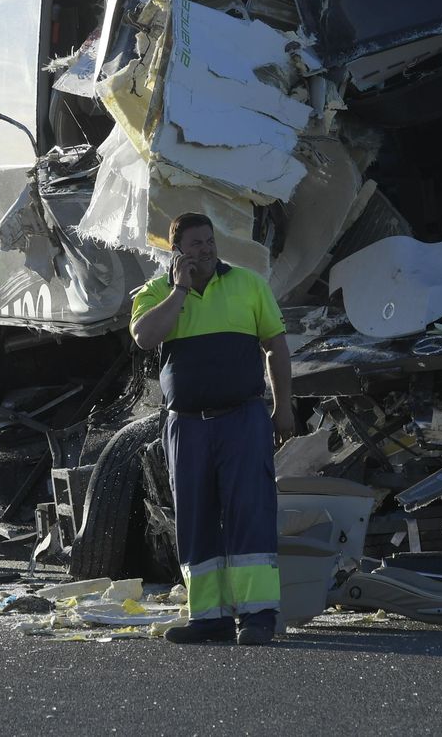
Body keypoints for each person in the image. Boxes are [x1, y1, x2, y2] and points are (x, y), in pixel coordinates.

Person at [130, 213, 295, 647]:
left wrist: (283, 409)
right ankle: (209, 618)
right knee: (195, 518)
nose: (205, 250)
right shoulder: (156, 293)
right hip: (186, 426)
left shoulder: (248, 284)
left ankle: (258, 617)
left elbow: (276, 347)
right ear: (176, 251)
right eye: (195, 244)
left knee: (250, 511)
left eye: (209, 242)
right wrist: (180, 290)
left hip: (242, 418)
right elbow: (146, 337)